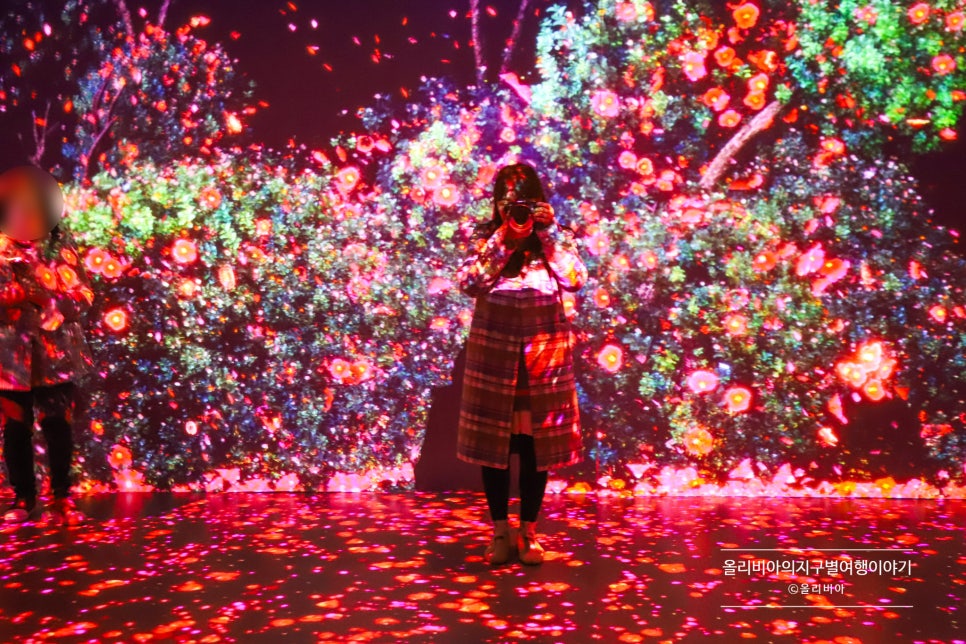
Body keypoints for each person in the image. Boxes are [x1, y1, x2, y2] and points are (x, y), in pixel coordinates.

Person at [456, 163, 587, 565]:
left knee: (535, 452)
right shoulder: (484, 238)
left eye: (525, 206)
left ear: (540, 204)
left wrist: (546, 234)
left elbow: (575, 278)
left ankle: (529, 533)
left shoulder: (552, 242)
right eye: (510, 206)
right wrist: (504, 239)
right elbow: (468, 282)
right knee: (493, 452)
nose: (518, 214)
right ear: (496, 205)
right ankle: (498, 532)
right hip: (494, 363)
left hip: (542, 366)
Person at [0, 166, 93, 524]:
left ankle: (61, 499)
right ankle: (23, 498)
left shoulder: (60, 243)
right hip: (10, 356)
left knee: (58, 426)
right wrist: (23, 292)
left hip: (54, 353)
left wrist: (58, 304)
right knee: (16, 428)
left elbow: (84, 294)